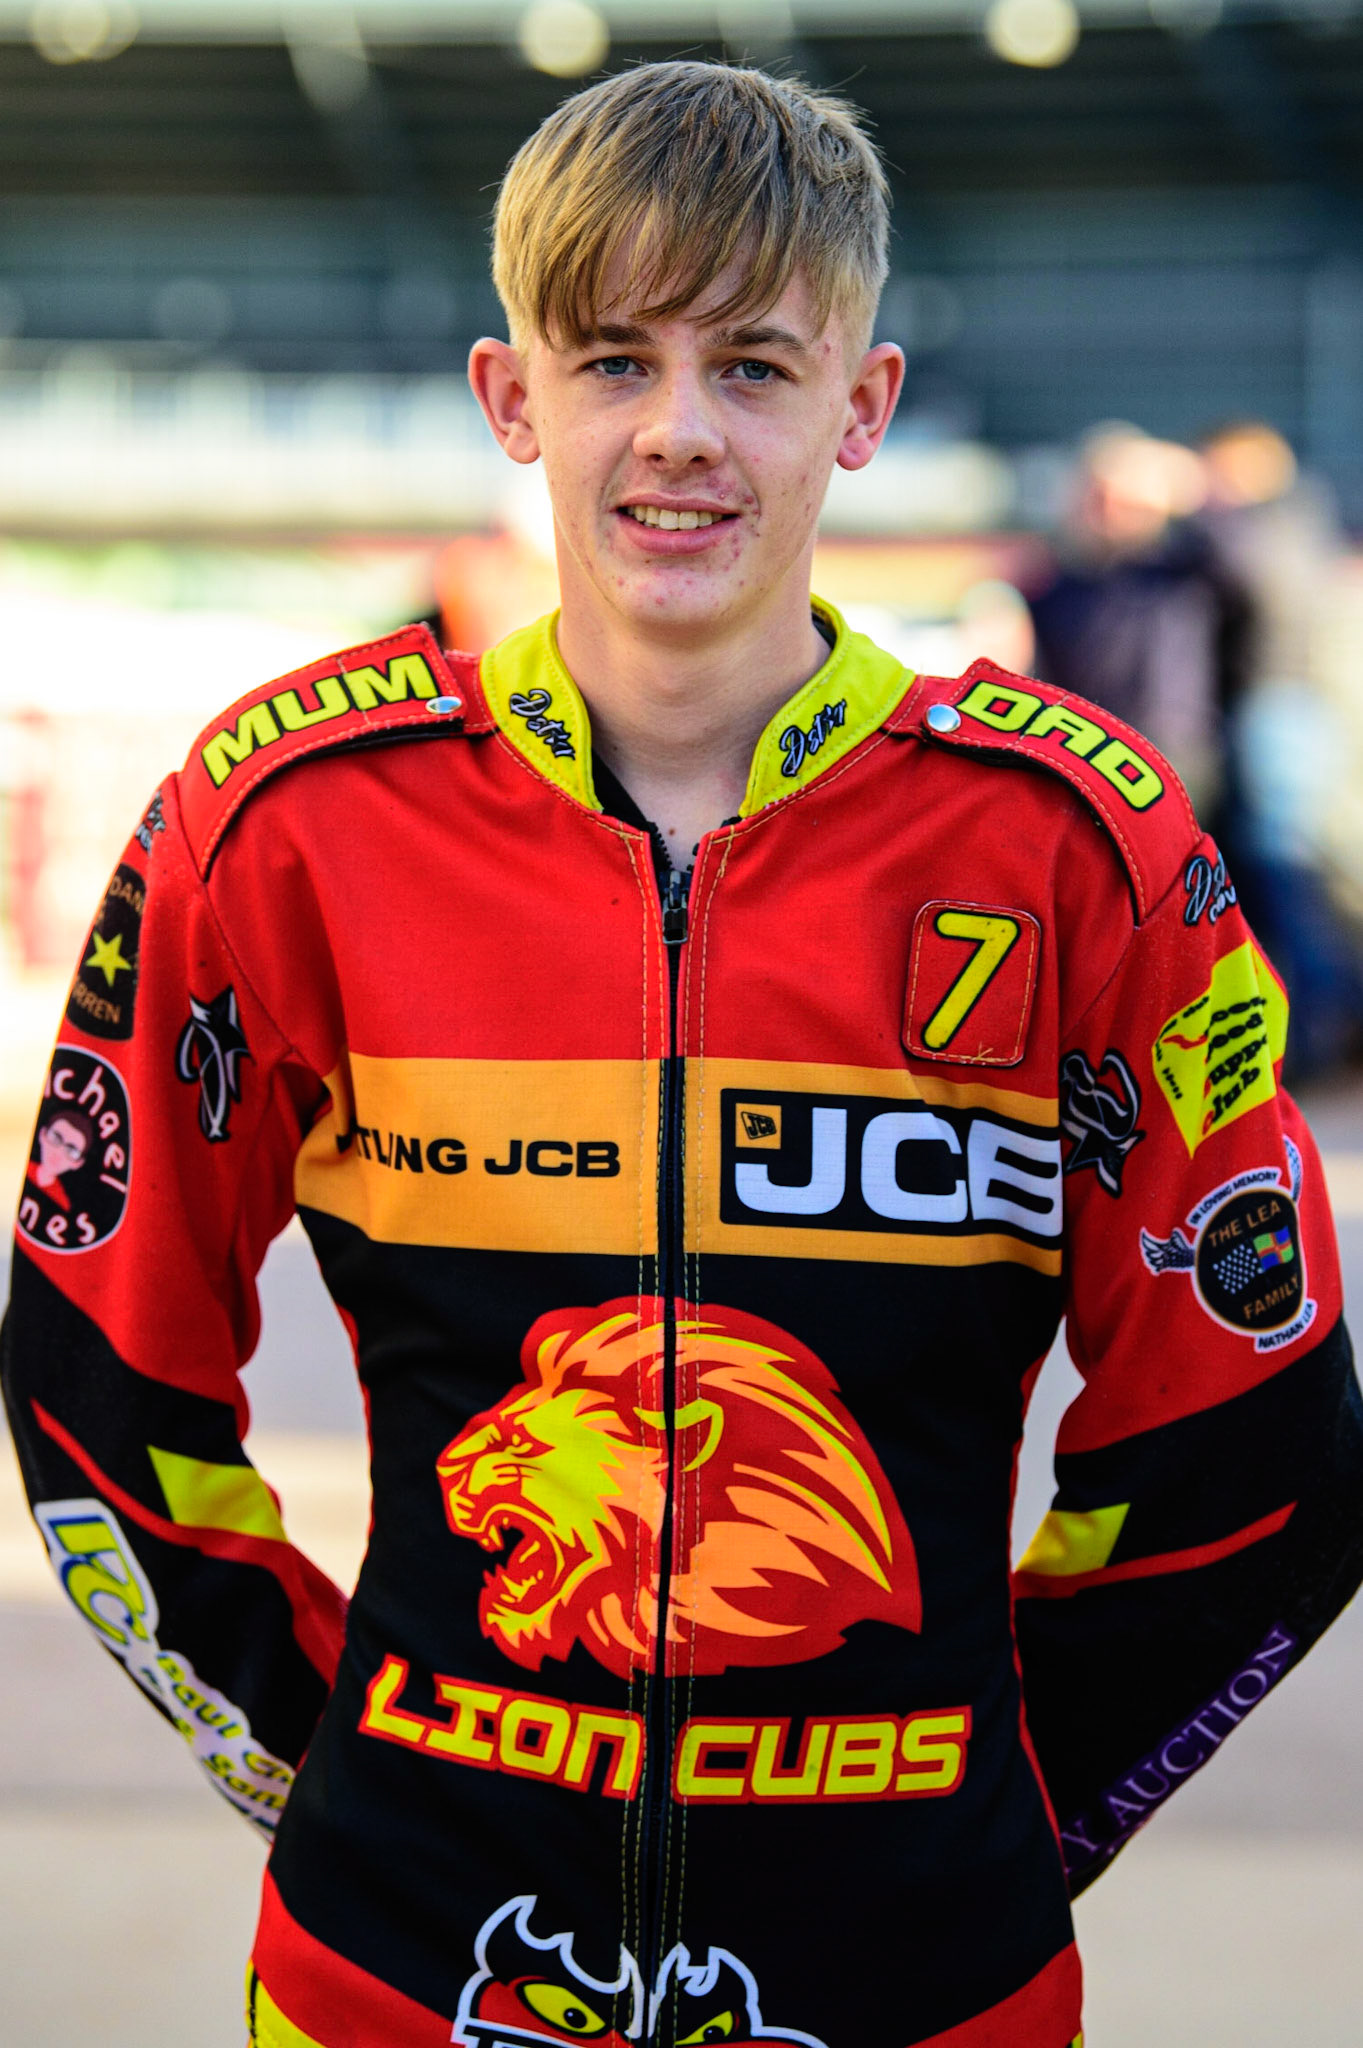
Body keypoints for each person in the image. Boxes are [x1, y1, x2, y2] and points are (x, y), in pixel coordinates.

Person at [3, 62, 1361, 2048]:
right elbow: (88, 1368)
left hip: (933, 1984)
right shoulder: (281, 817)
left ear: (862, 407)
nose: (675, 432)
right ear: (510, 399)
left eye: (749, 363)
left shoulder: (1077, 842)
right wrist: (339, 1777)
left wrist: (996, 1815)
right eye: (613, 357)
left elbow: (1259, 1442)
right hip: (394, 1970)